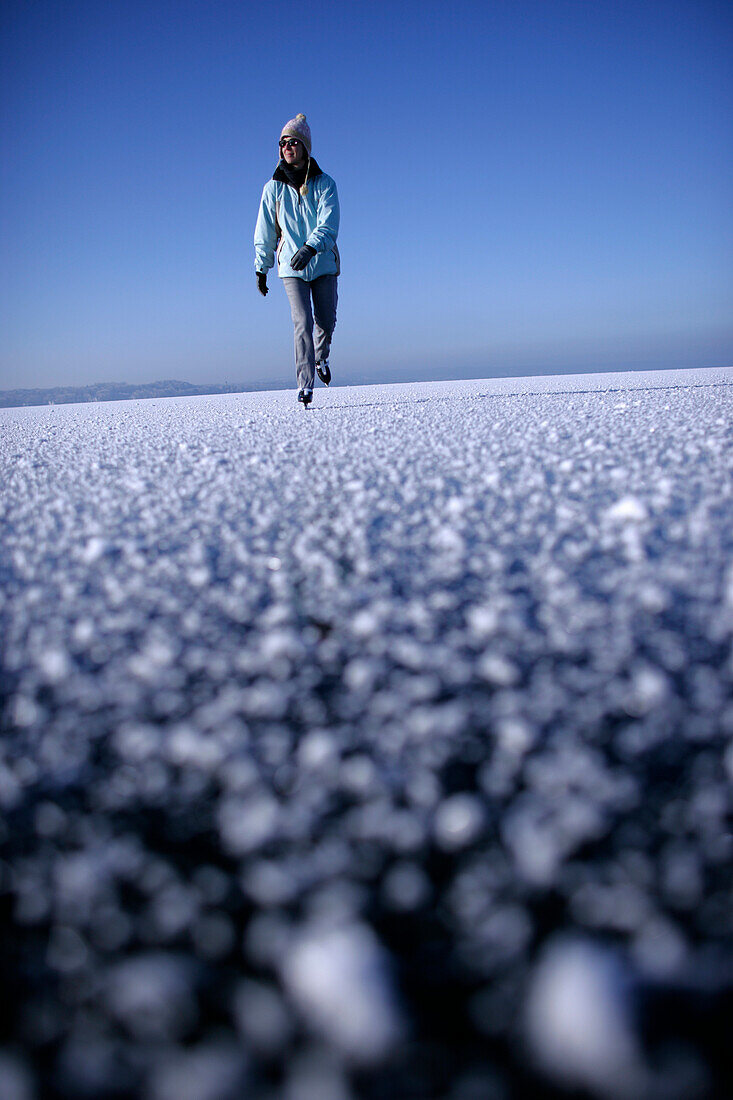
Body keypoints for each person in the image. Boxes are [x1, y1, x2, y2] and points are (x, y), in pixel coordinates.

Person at [254, 114, 340, 407]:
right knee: (302, 321)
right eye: (283, 143)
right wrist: (261, 267)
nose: (288, 147)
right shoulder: (272, 189)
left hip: (323, 263)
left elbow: (329, 224)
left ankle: (321, 357)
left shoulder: (325, 183)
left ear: (305, 146)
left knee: (325, 321)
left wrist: (311, 248)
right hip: (291, 266)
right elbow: (264, 231)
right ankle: (305, 385)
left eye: (293, 142)